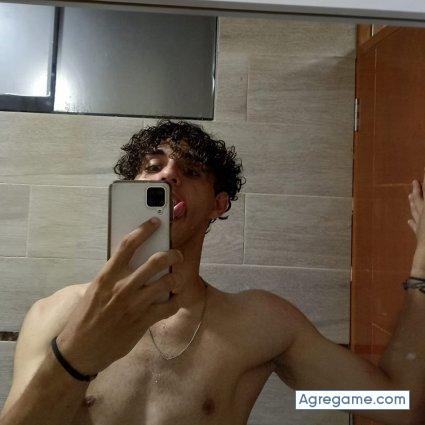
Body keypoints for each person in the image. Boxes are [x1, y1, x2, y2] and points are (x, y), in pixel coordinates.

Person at [0, 120, 423, 425]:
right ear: (128, 187)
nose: (169, 175)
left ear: (219, 205)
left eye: (191, 172)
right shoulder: (56, 314)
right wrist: (76, 355)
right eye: (153, 168)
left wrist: (422, 264)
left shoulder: (260, 325)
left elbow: (396, 405)